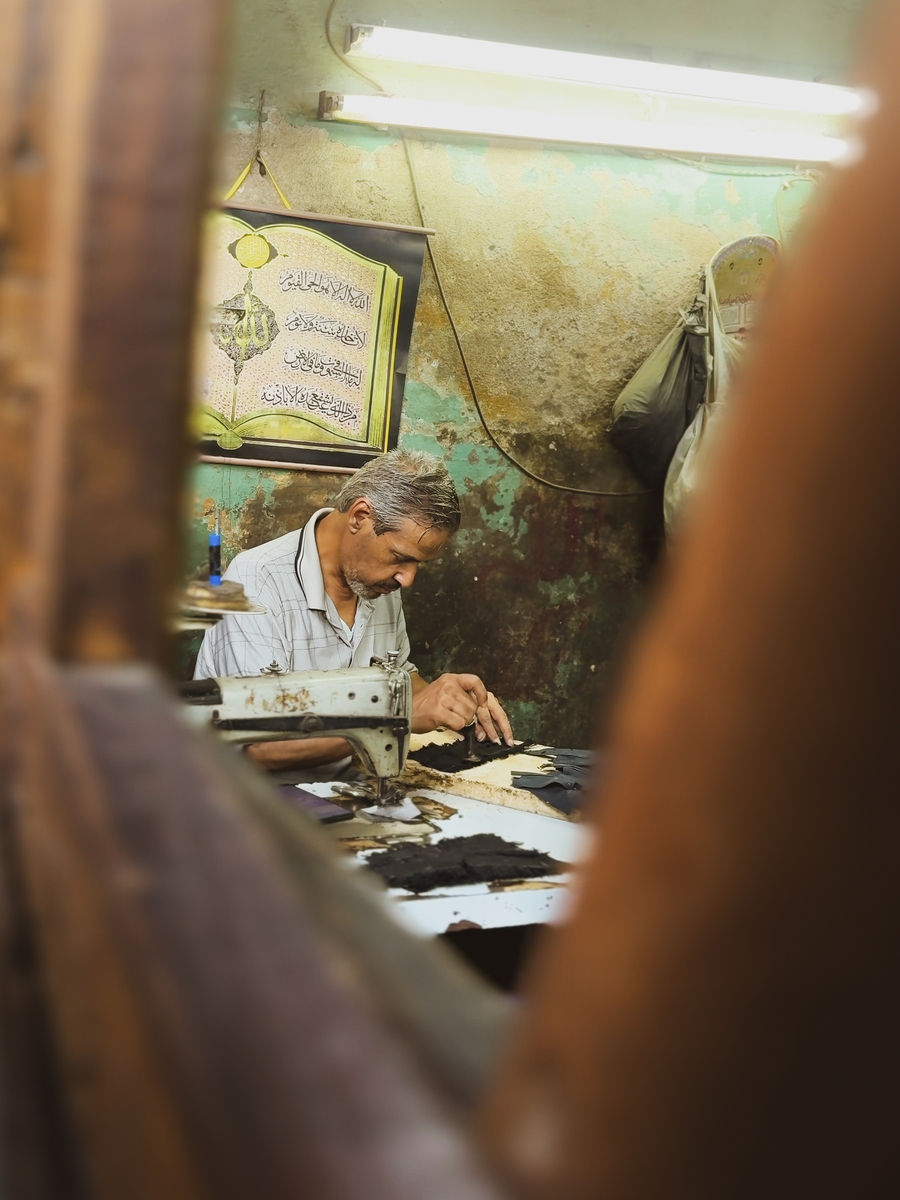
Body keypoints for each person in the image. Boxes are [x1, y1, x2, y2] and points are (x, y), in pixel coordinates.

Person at [195, 448, 513, 775]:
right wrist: (398, 716)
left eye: (418, 563)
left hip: (345, 790)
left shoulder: (376, 581)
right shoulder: (254, 581)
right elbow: (259, 747)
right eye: (400, 557)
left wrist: (448, 701)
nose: (408, 578)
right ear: (360, 517)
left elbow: (399, 677)